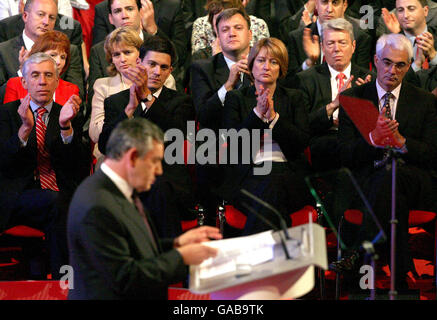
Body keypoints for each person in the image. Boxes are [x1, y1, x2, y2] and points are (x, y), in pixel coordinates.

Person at [67, 117, 221, 300]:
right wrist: (181, 257)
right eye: (154, 161)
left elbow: (130, 246)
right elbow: (125, 278)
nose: (159, 171)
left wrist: (176, 244)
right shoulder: (97, 205)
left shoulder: (117, 189)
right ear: (132, 157)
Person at [337, 33, 437, 290]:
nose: (392, 70)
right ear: (375, 61)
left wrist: (401, 141)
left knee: (392, 177)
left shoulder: (424, 101)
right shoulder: (354, 98)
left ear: (407, 65)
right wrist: (373, 138)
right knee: (387, 185)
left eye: (400, 65)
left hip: (412, 179)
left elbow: (431, 153)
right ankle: (401, 274)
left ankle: (358, 260)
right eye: (387, 62)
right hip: (369, 181)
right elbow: (345, 154)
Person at [0, 52, 90, 279]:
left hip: (58, 194)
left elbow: (78, 168)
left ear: (57, 81)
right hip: (16, 196)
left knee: (59, 203)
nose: (42, 81)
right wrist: (24, 130)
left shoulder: (68, 113)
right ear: (24, 81)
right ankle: (64, 280)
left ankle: (56, 280)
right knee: (56, 203)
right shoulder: (7, 114)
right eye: (35, 75)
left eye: (49, 75)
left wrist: (65, 127)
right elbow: (3, 164)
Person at [98, 35, 195, 239]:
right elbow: (106, 145)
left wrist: (148, 98)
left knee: (157, 188)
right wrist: (130, 109)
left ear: (170, 71)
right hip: (128, 179)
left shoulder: (181, 101)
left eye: (164, 67)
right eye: (152, 64)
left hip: (168, 180)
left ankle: (170, 260)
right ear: (140, 63)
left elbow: (175, 136)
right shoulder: (116, 102)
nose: (157, 72)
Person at [220, 37, 313, 236]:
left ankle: (254, 259)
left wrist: (273, 118)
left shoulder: (294, 97)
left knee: (273, 182)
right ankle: (281, 256)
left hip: (289, 175)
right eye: (261, 60)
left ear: (281, 68)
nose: (266, 67)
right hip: (249, 176)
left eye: (274, 62)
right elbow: (235, 146)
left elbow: (300, 143)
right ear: (252, 66)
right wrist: (256, 114)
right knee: (270, 187)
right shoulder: (235, 98)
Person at [296, 18, 374, 173]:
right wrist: (333, 105)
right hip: (325, 142)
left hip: (359, 141)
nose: (336, 49)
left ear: (353, 46)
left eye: (342, 43)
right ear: (323, 48)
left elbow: (380, 123)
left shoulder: (370, 78)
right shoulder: (306, 79)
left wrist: (364, 103)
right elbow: (302, 125)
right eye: (331, 43)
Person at [89, 26, 175, 166]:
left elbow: (167, 120)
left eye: (127, 52)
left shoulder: (162, 78)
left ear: (140, 55)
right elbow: (95, 134)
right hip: (114, 152)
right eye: (116, 54)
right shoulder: (102, 85)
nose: (122, 59)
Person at [88, 0, 185, 101]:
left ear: (141, 12)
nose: (124, 15)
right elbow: (93, 100)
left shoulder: (156, 45)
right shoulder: (98, 51)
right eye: (117, 11)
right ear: (110, 18)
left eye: (130, 9)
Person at [0, 0, 84, 99]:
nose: (46, 22)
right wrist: (23, 73)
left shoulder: (68, 50)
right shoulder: (3, 51)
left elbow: (78, 97)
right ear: (25, 16)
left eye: (52, 18)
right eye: (40, 14)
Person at [285, 0, 372, 78]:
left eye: (335, 2)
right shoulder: (296, 38)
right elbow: (290, 83)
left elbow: (362, 80)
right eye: (324, 2)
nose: (329, 9)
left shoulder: (360, 38)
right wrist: (309, 63)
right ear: (316, 4)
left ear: (344, 5)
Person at [3, 30, 79, 105]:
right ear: (38, 56)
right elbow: (8, 115)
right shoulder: (15, 84)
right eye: (53, 55)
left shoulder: (71, 90)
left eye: (63, 57)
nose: (59, 62)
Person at [190, 0, 269, 60]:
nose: (232, 33)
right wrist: (218, 60)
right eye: (224, 28)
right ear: (214, 29)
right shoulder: (201, 58)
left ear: (249, 34)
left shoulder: (258, 58)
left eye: (238, 28)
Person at [380, 0, 437, 71]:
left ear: (425, 11)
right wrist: (417, 64)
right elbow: (386, 78)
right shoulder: (389, 45)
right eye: (400, 10)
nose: (405, 15)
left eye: (411, 9)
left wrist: (434, 56)